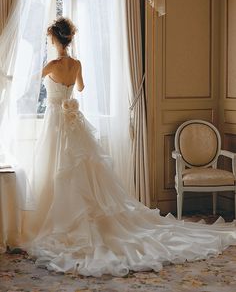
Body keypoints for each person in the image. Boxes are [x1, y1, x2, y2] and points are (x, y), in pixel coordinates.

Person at [23, 17, 236, 277]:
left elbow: (33, 83)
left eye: (50, 38)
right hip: (74, 120)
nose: (50, 41)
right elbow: (80, 87)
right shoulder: (76, 64)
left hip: (56, 121)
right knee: (82, 170)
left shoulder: (51, 65)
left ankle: (61, 221)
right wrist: (67, 91)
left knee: (59, 169)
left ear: (55, 39)